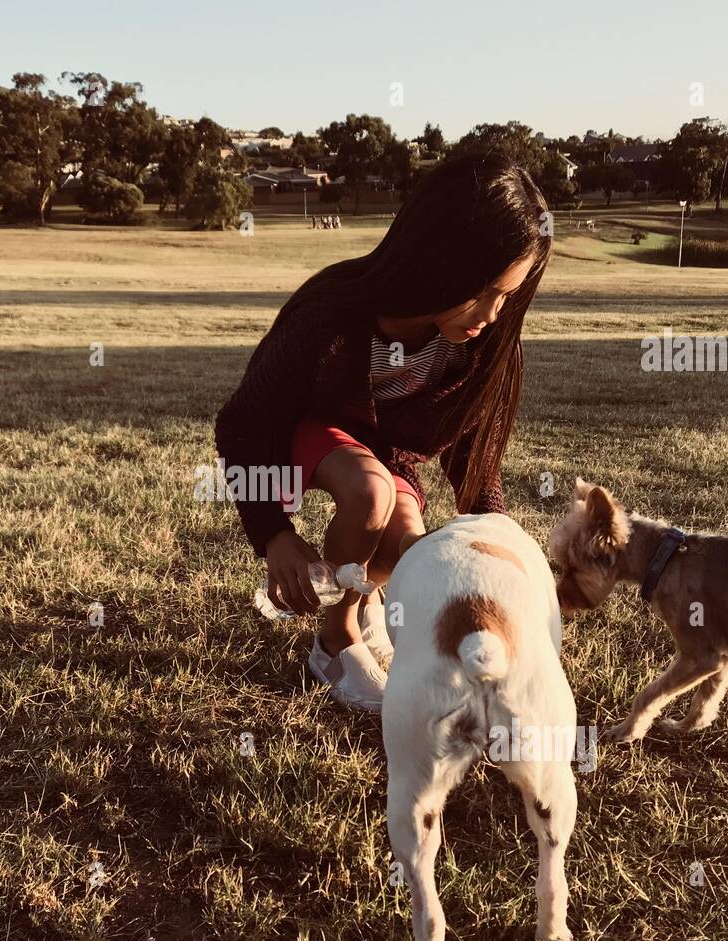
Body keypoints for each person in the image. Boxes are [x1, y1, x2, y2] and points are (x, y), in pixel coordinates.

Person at [214, 154, 552, 710]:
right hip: (310, 432)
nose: (493, 313)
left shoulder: (480, 340)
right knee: (369, 492)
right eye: (485, 289)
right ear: (440, 257)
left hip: (385, 452)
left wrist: (491, 525)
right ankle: (335, 636)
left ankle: (363, 596)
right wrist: (274, 534)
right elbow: (243, 423)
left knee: (411, 543)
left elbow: (472, 448)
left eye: (507, 297)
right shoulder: (329, 312)